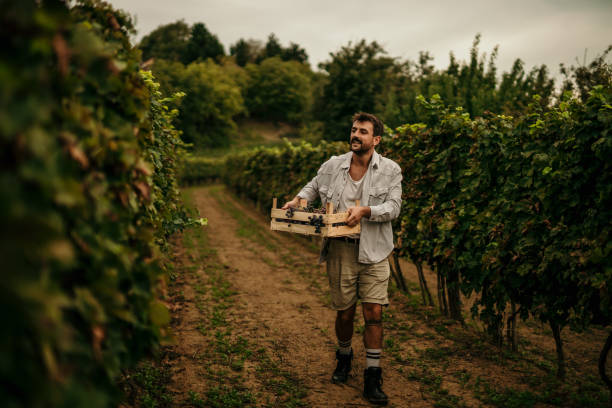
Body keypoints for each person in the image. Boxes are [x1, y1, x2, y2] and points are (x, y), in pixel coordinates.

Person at [281, 112, 402, 406]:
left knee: (373, 312)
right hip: (340, 249)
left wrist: (366, 212)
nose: (356, 135)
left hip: (374, 250)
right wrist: (299, 200)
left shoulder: (390, 170)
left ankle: (373, 374)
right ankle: (344, 355)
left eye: (363, 131)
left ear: (376, 140)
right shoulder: (333, 165)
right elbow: (312, 185)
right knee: (345, 312)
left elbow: (394, 207)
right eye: (353, 130)